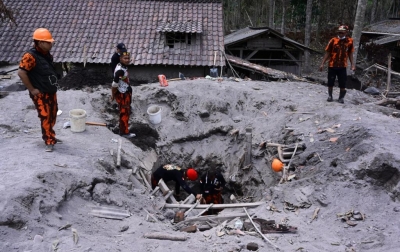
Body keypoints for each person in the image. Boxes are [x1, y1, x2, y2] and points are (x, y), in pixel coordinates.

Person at [18, 28, 61, 152]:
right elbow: (21, 73)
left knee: (53, 114)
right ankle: (49, 141)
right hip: (40, 92)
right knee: (45, 116)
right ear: (40, 42)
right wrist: (32, 89)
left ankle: (50, 135)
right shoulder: (29, 56)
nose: (51, 44)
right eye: (48, 42)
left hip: (50, 90)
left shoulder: (46, 55)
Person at [319, 25, 356, 104]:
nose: (340, 34)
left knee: (342, 82)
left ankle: (341, 97)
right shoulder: (333, 40)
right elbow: (328, 52)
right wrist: (322, 63)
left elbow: (350, 53)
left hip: (342, 65)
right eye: (339, 32)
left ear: (346, 32)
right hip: (332, 64)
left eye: (342, 32)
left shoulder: (350, 41)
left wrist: (352, 64)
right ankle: (330, 96)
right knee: (330, 81)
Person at [111, 50, 136, 138]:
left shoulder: (123, 66)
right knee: (124, 113)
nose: (127, 60)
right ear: (120, 59)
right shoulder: (120, 70)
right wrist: (113, 94)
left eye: (128, 58)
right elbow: (114, 84)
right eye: (125, 58)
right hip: (122, 94)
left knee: (125, 112)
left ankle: (123, 128)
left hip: (125, 92)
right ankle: (124, 132)